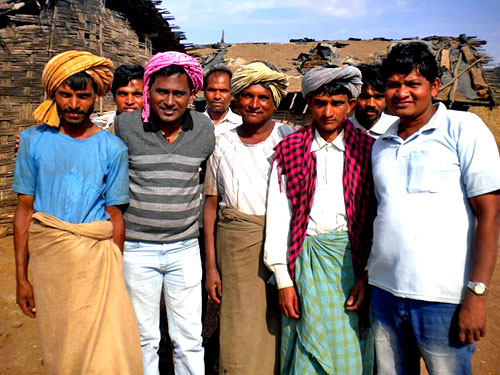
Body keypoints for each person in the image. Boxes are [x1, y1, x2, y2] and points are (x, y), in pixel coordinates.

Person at [367, 42, 500, 374]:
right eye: (394, 84)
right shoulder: (381, 142)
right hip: (384, 294)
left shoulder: (463, 129)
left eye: (413, 84)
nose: (402, 93)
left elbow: (489, 215)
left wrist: (477, 294)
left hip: (444, 299)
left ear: (434, 86)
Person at [12, 50, 142, 374]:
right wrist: (20, 279)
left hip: (98, 264)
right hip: (49, 264)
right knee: (60, 348)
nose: (73, 104)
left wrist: (116, 267)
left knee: (103, 351)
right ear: (52, 93)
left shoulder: (112, 148)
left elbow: (115, 215)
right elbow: (25, 211)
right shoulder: (32, 141)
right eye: (65, 95)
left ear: (97, 96)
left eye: (82, 96)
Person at [264, 65, 376, 375]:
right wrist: (284, 281)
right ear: (309, 103)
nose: (328, 112)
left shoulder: (368, 150)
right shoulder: (289, 151)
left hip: (351, 266)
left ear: (350, 105)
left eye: (337, 103)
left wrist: (366, 276)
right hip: (306, 264)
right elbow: (279, 217)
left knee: (350, 351)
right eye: (320, 103)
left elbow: (375, 220)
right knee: (306, 351)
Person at [114, 51, 215, 375]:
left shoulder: (203, 128)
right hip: (136, 249)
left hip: (185, 250)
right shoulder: (125, 126)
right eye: (162, 91)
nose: (169, 100)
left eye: (178, 93)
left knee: (188, 338)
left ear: (191, 95)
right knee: (143, 337)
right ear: (148, 91)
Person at [203, 61, 294, 375]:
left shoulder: (289, 138)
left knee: (279, 321)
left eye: (263, 97)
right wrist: (212, 266)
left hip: (283, 244)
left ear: (273, 102)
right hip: (234, 246)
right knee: (240, 324)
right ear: (236, 100)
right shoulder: (220, 142)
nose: (255, 104)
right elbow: (211, 205)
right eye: (247, 96)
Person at [349, 64, 397, 139]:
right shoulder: (341, 130)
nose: (371, 104)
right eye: (364, 97)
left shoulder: (397, 128)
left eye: (378, 97)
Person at [93, 63, 144, 132]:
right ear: (114, 97)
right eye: (123, 94)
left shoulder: (158, 131)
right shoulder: (98, 128)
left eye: (137, 94)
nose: (129, 101)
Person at [203, 65, 241, 134]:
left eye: (223, 91)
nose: (217, 96)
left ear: (232, 94)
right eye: (212, 90)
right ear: (204, 93)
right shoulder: (193, 124)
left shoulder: (240, 125)